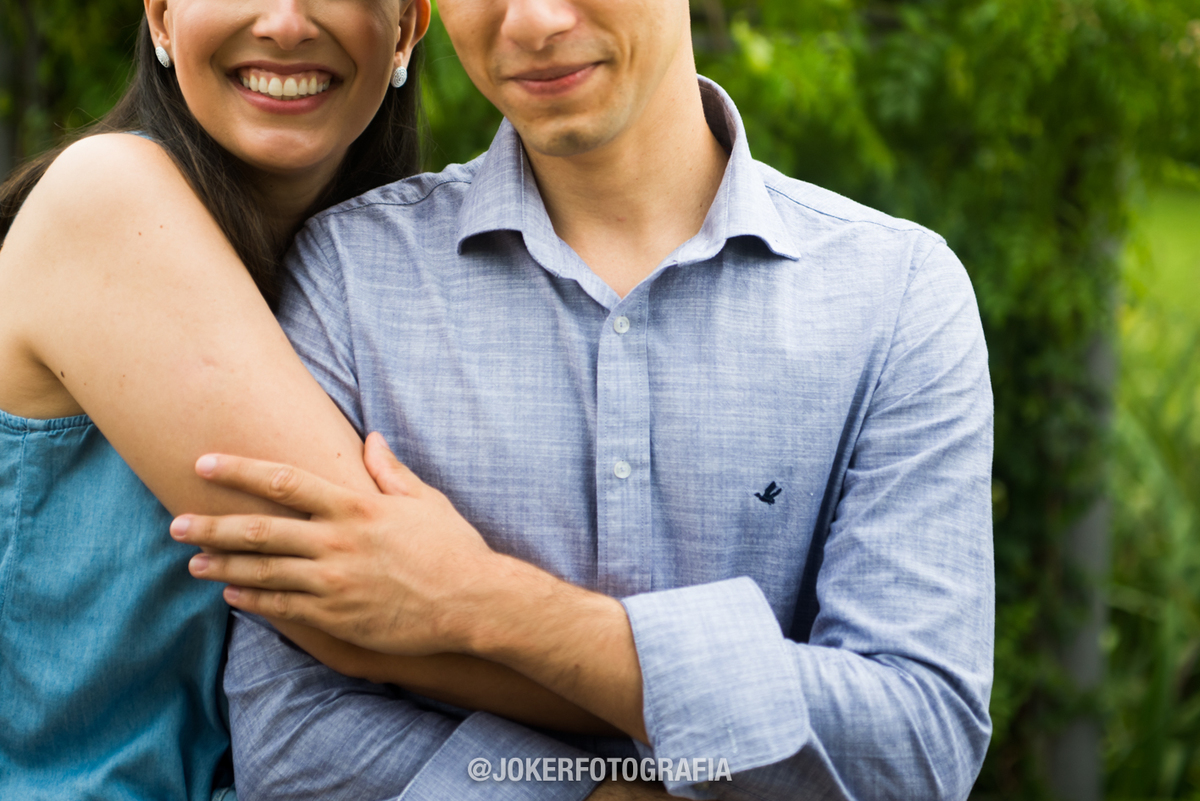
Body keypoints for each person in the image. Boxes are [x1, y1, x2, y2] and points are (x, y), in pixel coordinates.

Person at [173, 0, 996, 799]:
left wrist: (482, 599)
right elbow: (292, 732)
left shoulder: (897, 296)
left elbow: (918, 745)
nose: (531, 23)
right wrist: (594, 792)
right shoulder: (347, 277)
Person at [0, 1, 610, 798]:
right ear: (159, 17)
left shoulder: (385, 274)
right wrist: (724, 708)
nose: (286, 24)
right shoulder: (108, 199)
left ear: (405, 30)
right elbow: (370, 615)